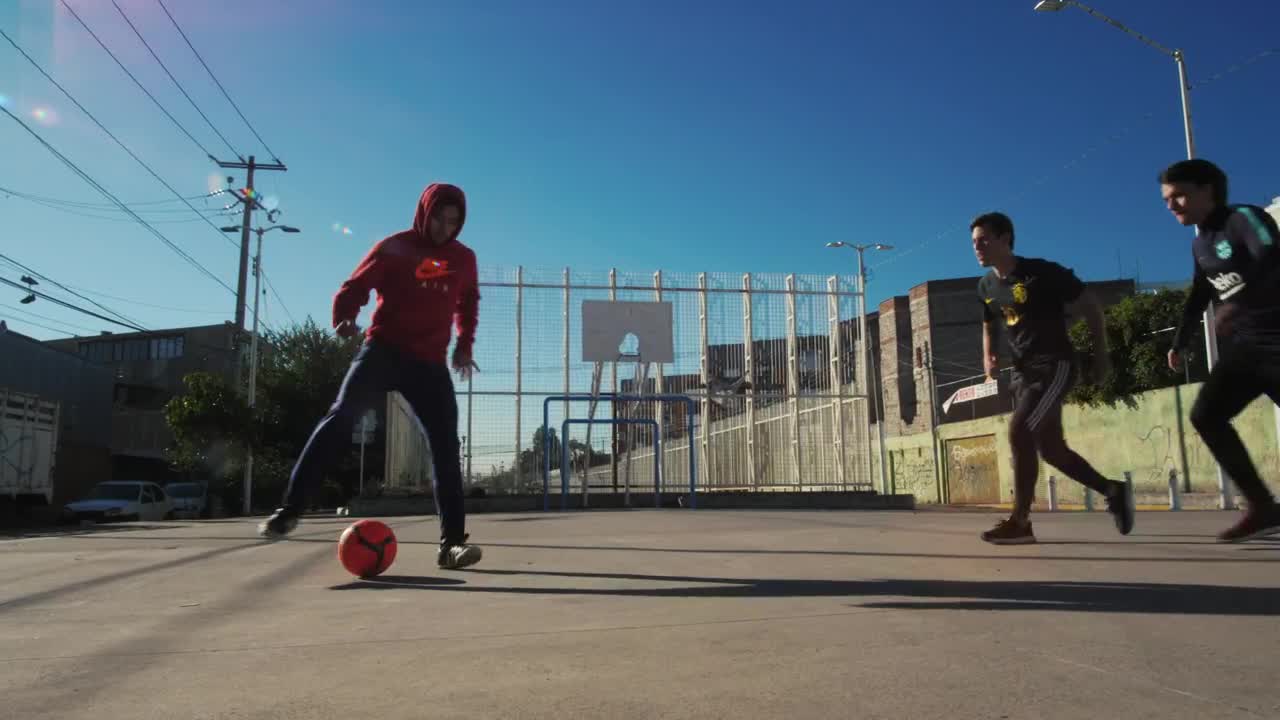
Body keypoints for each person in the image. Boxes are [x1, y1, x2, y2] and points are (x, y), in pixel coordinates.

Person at [258, 182, 483, 569]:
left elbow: (468, 300)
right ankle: (289, 510)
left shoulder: (463, 259)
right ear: (424, 213)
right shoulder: (395, 248)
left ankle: (452, 544)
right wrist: (345, 315)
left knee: (446, 445)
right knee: (340, 418)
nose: (444, 229)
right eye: (438, 219)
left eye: (453, 222)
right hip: (383, 351)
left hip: (428, 364)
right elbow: (356, 286)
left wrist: (464, 344)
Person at [971, 211, 1134, 545]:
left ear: (1006, 239)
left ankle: (1020, 522)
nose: (978, 247)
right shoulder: (986, 285)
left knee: (1020, 429)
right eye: (974, 242)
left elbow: (1091, 305)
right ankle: (1112, 490)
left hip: (1054, 365)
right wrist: (989, 355)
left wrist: (1101, 355)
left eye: (984, 239)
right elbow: (989, 323)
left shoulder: (1042, 272)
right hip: (1023, 373)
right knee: (1053, 451)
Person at [1160, 159, 1280, 542]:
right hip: (1246, 352)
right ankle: (1261, 505)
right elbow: (1198, 295)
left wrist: (1237, 305)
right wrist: (1180, 341)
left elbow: (1273, 258)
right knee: (1206, 415)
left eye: (1179, 195)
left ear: (1207, 190)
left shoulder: (1244, 218)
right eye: (1166, 199)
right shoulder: (1200, 243)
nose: (1172, 205)